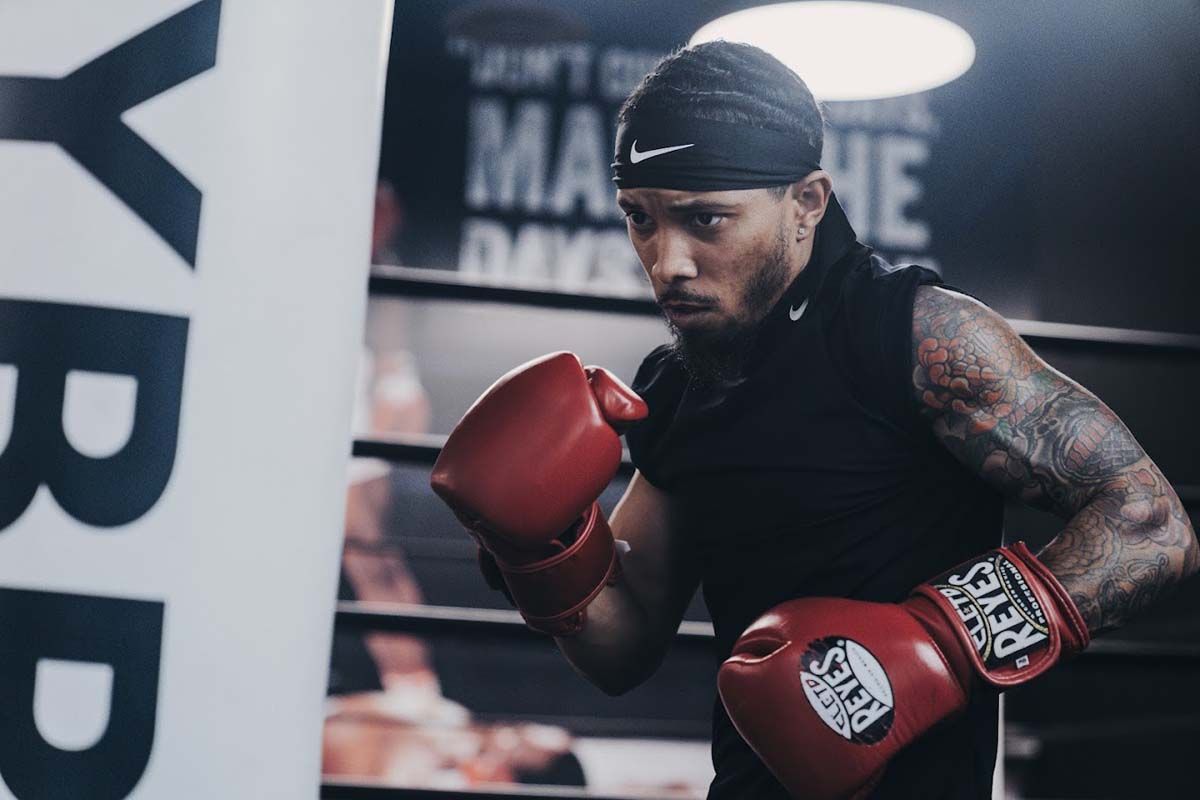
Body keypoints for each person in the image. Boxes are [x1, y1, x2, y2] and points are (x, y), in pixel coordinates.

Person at [429, 42, 1199, 799]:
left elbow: (1151, 525)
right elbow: (621, 651)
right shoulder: (681, 383)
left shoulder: (917, 336)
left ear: (807, 204)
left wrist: (937, 648)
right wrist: (544, 551)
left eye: (707, 220)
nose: (667, 262)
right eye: (641, 219)